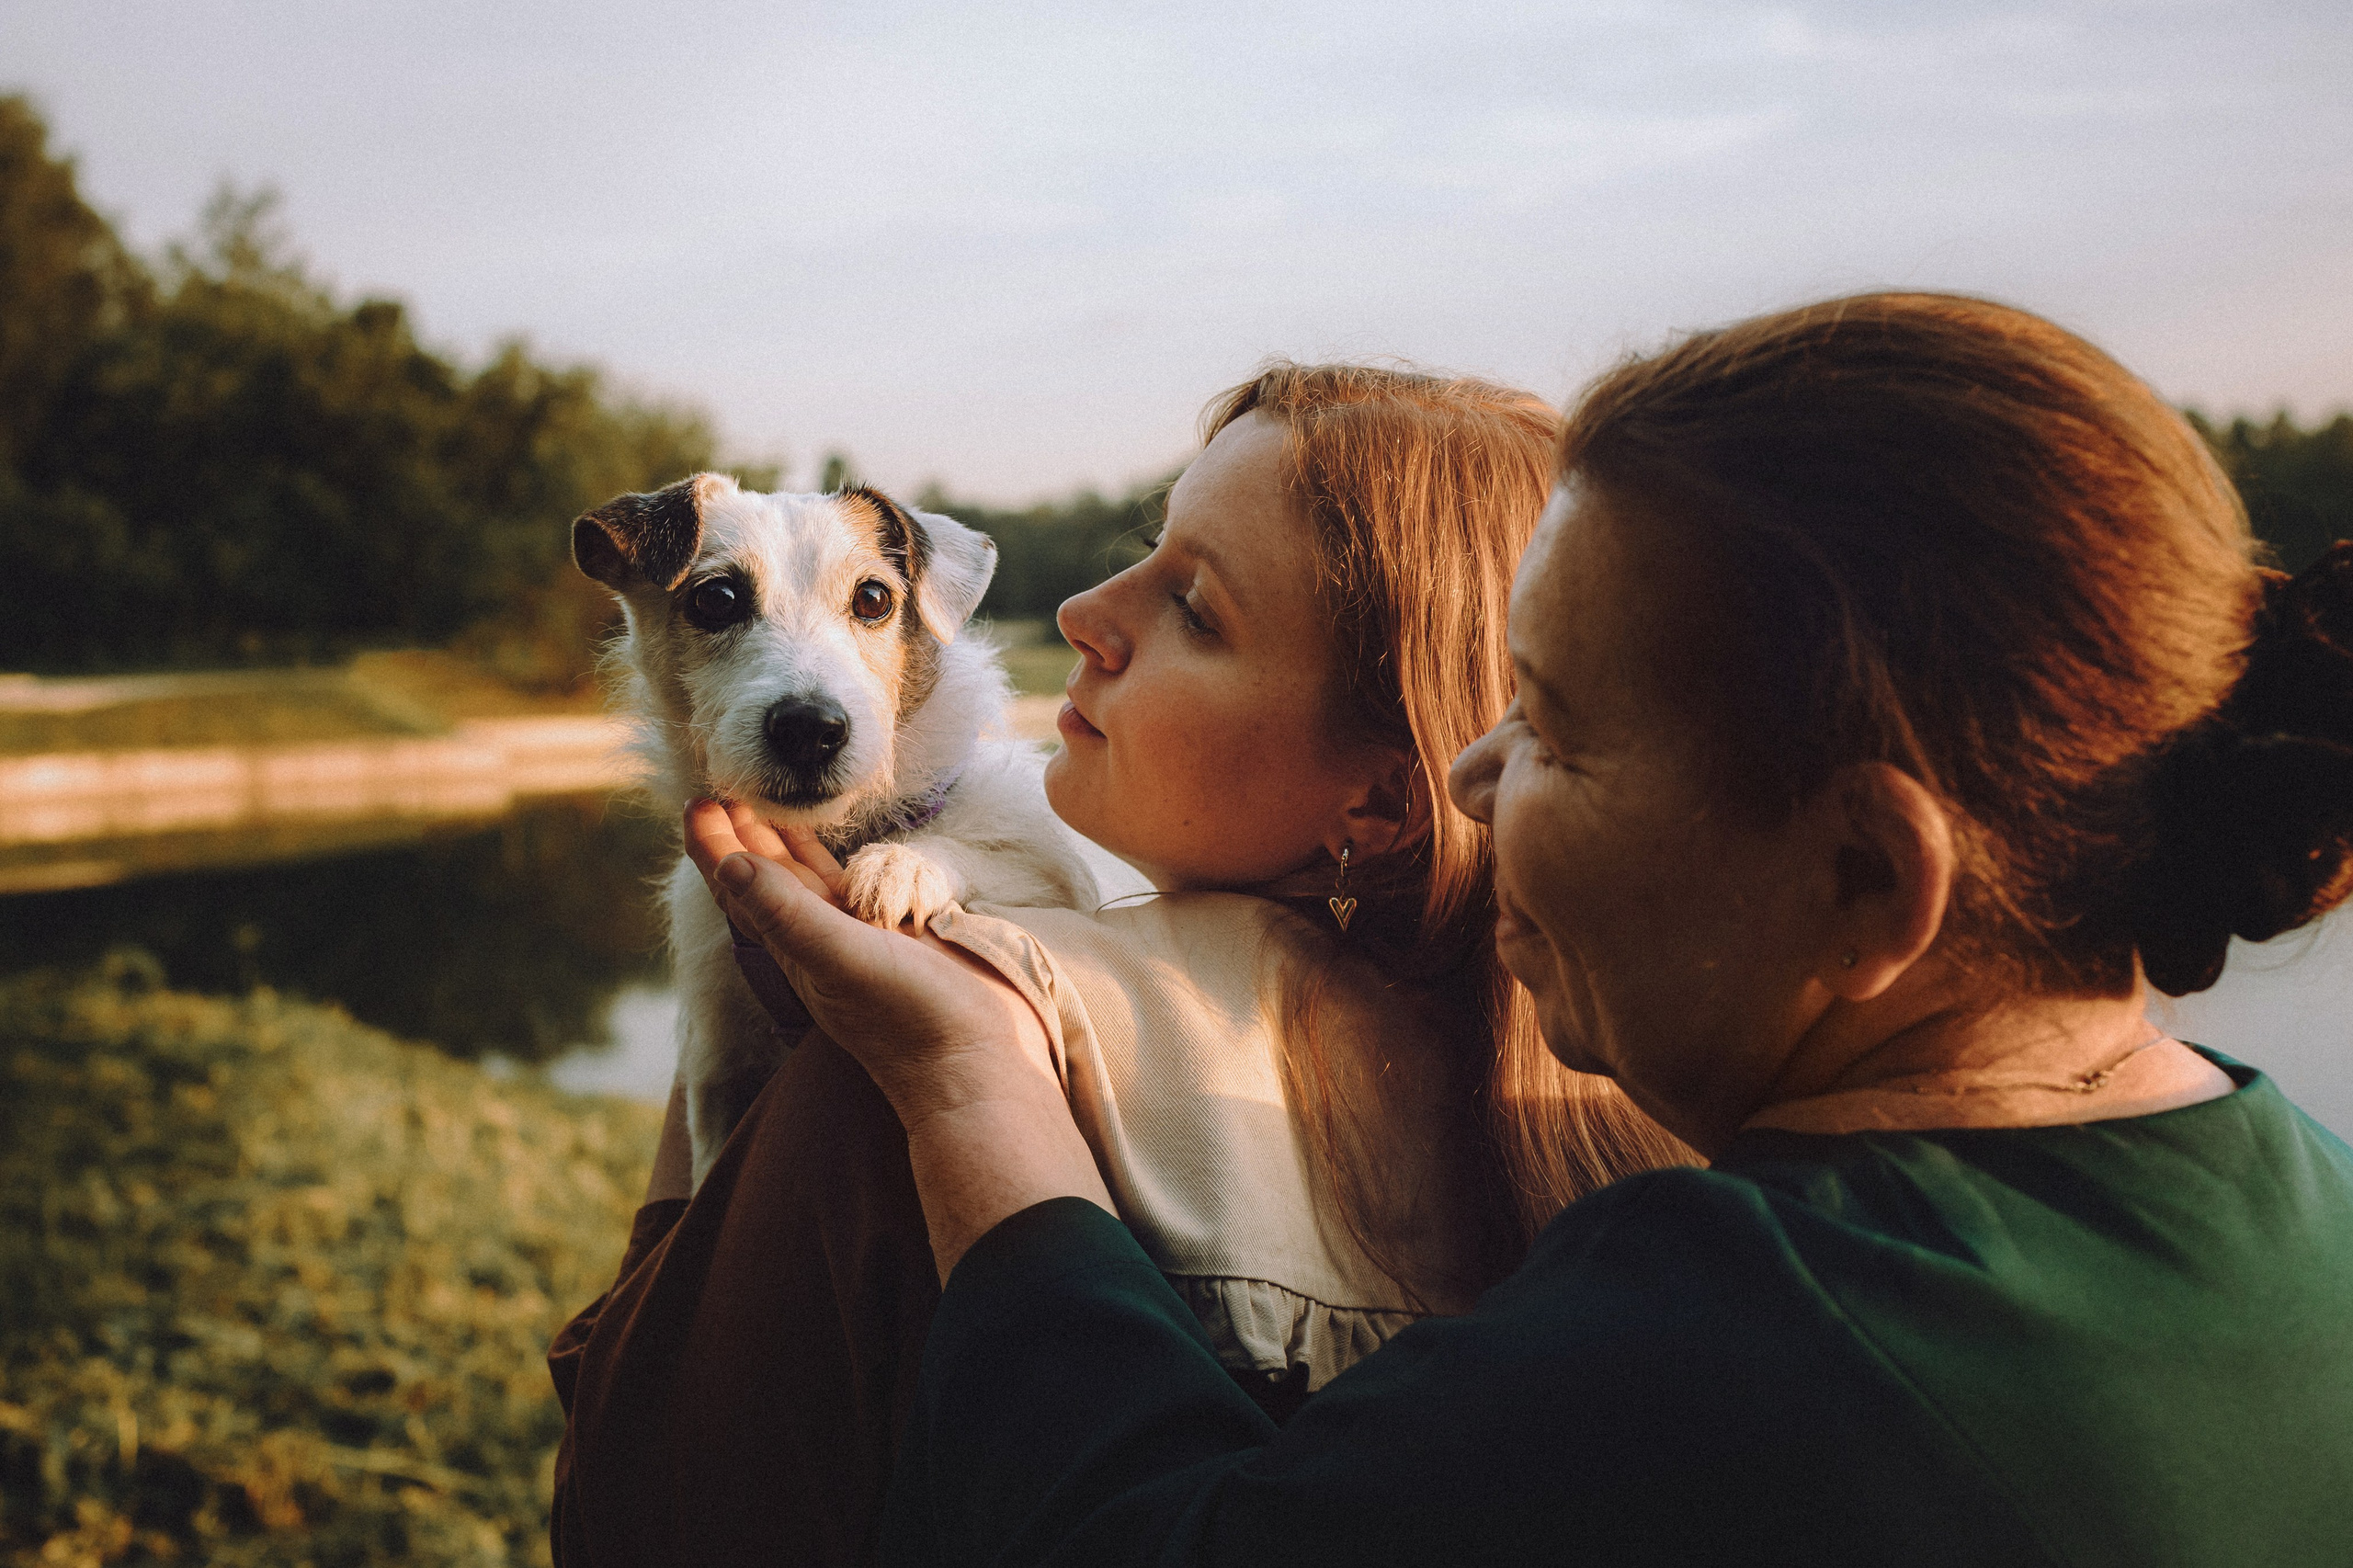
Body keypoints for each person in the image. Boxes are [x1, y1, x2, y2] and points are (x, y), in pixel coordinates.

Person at [690, 292, 2353, 1565]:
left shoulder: (1729, 1333)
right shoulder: (2304, 1195)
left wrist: (972, 1087)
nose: (1476, 769)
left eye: (1551, 723)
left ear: (1865, 882)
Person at [548, 364, 1689, 1566]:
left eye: (1194, 605)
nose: (1082, 608)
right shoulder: (1607, 1133)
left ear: (1385, 794)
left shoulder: (922, 1047)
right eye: (1144, 547)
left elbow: (635, 1501)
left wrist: (701, 1150)